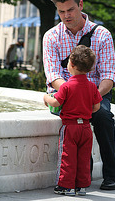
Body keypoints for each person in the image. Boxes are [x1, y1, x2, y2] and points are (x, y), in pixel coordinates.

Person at [43, 0, 115, 190]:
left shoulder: (102, 35)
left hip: (96, 92)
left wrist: (89, 95)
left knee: (103, 117)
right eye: (61, 11)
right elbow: (53, 75)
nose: (66, 15)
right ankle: (81, 175)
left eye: (70, 9)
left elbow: (109, 76)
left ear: (81, 5)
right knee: (74, 127)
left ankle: (112, 174)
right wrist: (73, 92)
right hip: (64, 93)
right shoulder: (51, 36)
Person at [44, 45, 102, 196]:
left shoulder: (67, 86)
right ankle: (81, 186)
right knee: (83, 158)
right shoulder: (92, 87)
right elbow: (96, 107)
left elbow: (56, 102)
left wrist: (46, 98)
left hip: (70, 128)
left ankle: (66, 186)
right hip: (86, 128)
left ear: (72, 65)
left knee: (67, 157)